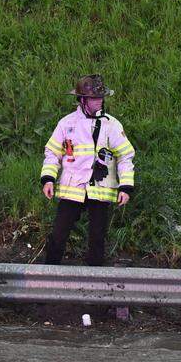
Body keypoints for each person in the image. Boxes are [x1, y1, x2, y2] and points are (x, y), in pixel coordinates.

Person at [39, 74, 135, 266]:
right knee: (58, 234)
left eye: (101, 97)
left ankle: (95, 281)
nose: (99, 101)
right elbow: (52, 153)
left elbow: (125, 156)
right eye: (94, 98)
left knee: (97, 238)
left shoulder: (111, 125)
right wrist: (48, 178)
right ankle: (48, 275)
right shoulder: (67, 124)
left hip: (100, 188)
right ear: (82, 100)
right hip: (72, 188)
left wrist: (125, 187)